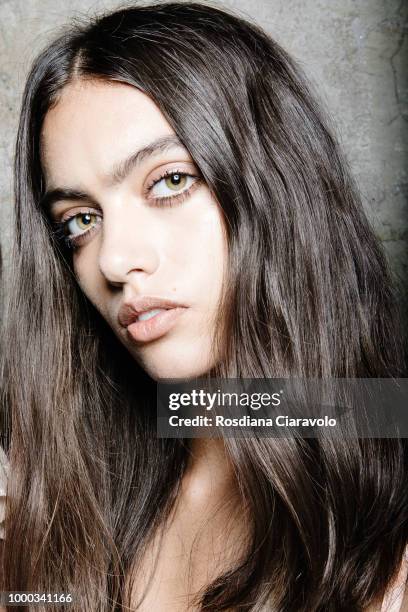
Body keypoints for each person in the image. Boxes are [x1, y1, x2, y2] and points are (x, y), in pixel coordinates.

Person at [0, 2, 407, 610]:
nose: (114, 260)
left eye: (168, 181)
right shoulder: (86, 491)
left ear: (277, 181)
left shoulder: (377, 468)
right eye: (80, 221)